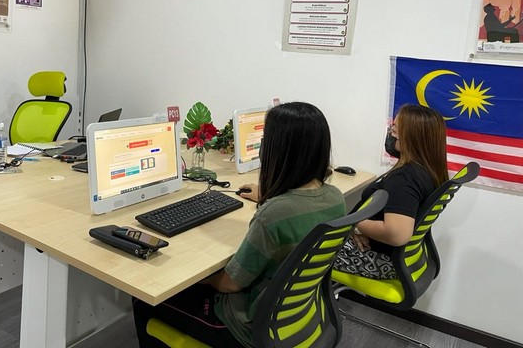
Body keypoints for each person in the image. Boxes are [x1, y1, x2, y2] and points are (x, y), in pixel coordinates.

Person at [133, 102, 346, 347]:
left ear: (278, 150)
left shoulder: (272, 215)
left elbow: (230, 284)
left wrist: (200, 278)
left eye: (266, 140)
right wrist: (268, 194)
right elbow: (296, 210)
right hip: (300, 316)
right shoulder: (336, 199)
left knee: (143, 300)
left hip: (246, 325)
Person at [332, 104, 448, 280]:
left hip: (378, 259)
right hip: (398, 257)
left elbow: (397, 234)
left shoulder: (405, 178)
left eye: (393, 130)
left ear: (410, 139)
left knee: (301, 249)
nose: (390, 134)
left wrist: (355, 224)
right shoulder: (428, 171)